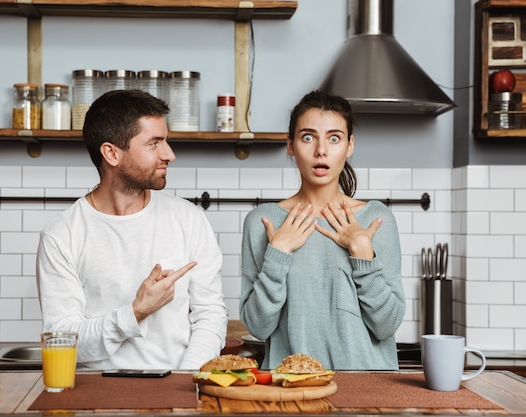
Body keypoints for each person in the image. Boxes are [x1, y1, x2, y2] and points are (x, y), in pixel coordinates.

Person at [36, 89, 228, 370]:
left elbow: (210, 316)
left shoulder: (189, 219)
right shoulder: (62, 234)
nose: (170, 154)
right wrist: (136, 312)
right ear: (111, 153)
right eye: (154, 143)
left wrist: (186, 379)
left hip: (179, 393)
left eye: (167, 141)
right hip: (94, 400)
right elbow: (65, 342)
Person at [239, 90, 405, 370]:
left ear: (349, 146)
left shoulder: (376, 219)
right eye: (307, 137)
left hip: (366, 392)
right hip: (290, 388)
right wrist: (277, 254)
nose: (321, 150)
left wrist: (364, 255)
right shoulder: (263, 221)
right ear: (290, 145)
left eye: (334, 138)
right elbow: (258, 327)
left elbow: (386, 326)